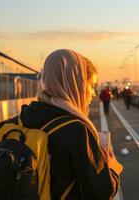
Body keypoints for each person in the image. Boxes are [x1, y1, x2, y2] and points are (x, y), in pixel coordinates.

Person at [19, 49, 121, 199]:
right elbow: (101, 193)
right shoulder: (76, 131)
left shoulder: (22, 119)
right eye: (91, 85)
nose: (93, 93)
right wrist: (111, 168)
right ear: (74, 83)